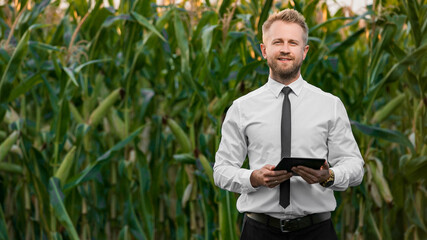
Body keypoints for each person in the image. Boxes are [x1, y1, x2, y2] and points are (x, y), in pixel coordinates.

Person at [213, 9, 364, 240]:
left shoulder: (330, 105)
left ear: (304, 51)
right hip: (259, 231)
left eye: (293, 43)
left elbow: (355, 166)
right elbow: (221, 170)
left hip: (317, 231)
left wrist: (328, 176)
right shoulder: (242, 108)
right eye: (278, 42)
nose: (285, 49)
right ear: (264, 50)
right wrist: (253, 178)